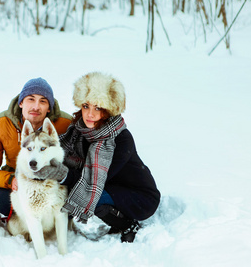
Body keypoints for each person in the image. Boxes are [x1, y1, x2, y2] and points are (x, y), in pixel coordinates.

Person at [36, 72, 160, 243]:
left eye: (98, 108)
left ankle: (127, 224)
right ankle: (115, 217)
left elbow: (94, 181)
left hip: (140, 198)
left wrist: (62, 174)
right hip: (114, 189)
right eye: (86, 106)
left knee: (86, 193)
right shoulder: (80, 132)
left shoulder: (120, 138)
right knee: (78, 190)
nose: (90, 114)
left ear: (109, 110)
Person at [0, 77, 72, 218]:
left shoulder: (66, 124)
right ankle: (25, 220)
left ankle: (58, 222)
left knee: (72, 199)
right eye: (31, 99)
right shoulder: (0, 124)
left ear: (49, 108)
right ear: (21, 102)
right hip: (20, 178)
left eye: (43, 101)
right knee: (3, 202)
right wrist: (10, 179)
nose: (36, 107)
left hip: (54, 180)